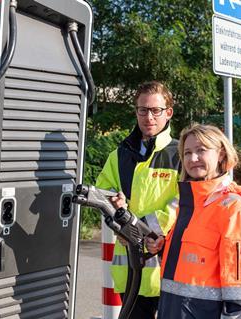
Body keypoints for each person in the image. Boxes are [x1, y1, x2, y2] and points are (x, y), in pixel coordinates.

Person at [156, 124, 241, 318]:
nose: (193, 158)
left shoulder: (234, 209)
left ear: (221, 154)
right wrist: (162, 248)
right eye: (187, 153)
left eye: (201, 150)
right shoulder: (188, 206)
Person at [96, 81, 180, 318]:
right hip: (131, 273)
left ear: (168, 113)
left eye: (156, 110)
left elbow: (181, 203)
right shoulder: (119, 154)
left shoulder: (180, 154)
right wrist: (116, 214)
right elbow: (103, 195)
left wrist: (143, 230)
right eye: (143, 110)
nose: (149, 117)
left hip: (169, 272)